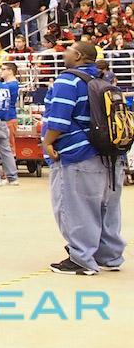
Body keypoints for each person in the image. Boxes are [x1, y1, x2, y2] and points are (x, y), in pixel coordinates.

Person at [43, 41, 125, 274]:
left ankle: (81, 258)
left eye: (68, 50)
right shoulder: (103, 79)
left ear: (78, 55)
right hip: (109, 155)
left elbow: (59, 119)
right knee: (107, 208)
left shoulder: (67, 80)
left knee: (76, 207)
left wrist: (47, 142)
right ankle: (109, 256)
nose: (64, 53)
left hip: (79, 154)